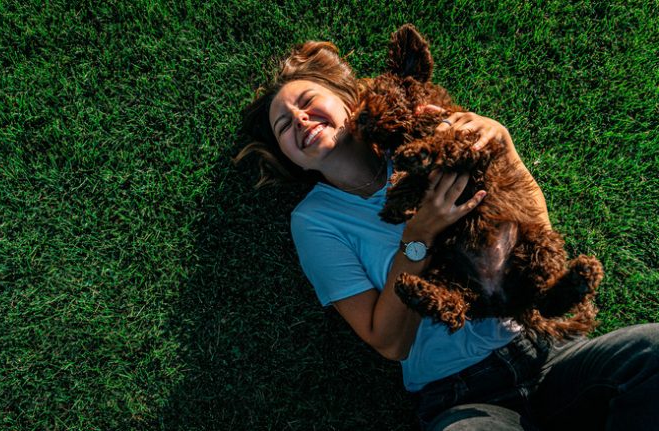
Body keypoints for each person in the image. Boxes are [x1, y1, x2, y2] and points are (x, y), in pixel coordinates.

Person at [236, 40, 659, 430]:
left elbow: (530, 226)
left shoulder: (420, 132)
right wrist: (419, 237)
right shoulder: (314, 221)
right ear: (289, 158)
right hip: (462, 391)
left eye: (308, 102)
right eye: (284, 127)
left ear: (348, 100)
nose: (301, 120)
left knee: (652, 350)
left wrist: (505, 148)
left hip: (549, 348)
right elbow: (389, 344)